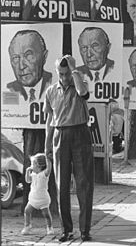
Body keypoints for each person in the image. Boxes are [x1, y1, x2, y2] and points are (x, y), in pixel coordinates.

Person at [43, 55, 94, 243]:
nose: (64, 78)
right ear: (57, 72)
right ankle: (67, 230)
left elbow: (83, 93)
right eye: (61, 74)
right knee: (61, 185)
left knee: (84, 183)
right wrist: (47, 144)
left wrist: (75, 71)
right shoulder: (50, 91)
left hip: (80, 132)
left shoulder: (79, 82)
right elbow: (49, 120)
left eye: (67, 74)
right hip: (60, 134)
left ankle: (85, 229)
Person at [7, 29, 52, 102]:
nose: (21, 66)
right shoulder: (8, 89)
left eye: (28, 56)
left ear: (44, 57)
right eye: (16, 58)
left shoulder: (55, 83)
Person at [21, 153, 54, 235]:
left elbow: (49, 169)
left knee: (46, 214)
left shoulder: (44, 174)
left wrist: (48, 159)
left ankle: (49, 227)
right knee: (27, 211)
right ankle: (27, 226)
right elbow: (28, 181)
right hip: (33, 199)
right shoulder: (33, 174)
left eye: (33, 164)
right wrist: (27, 171)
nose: (31, 166)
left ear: (39, 165)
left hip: (43, 199)